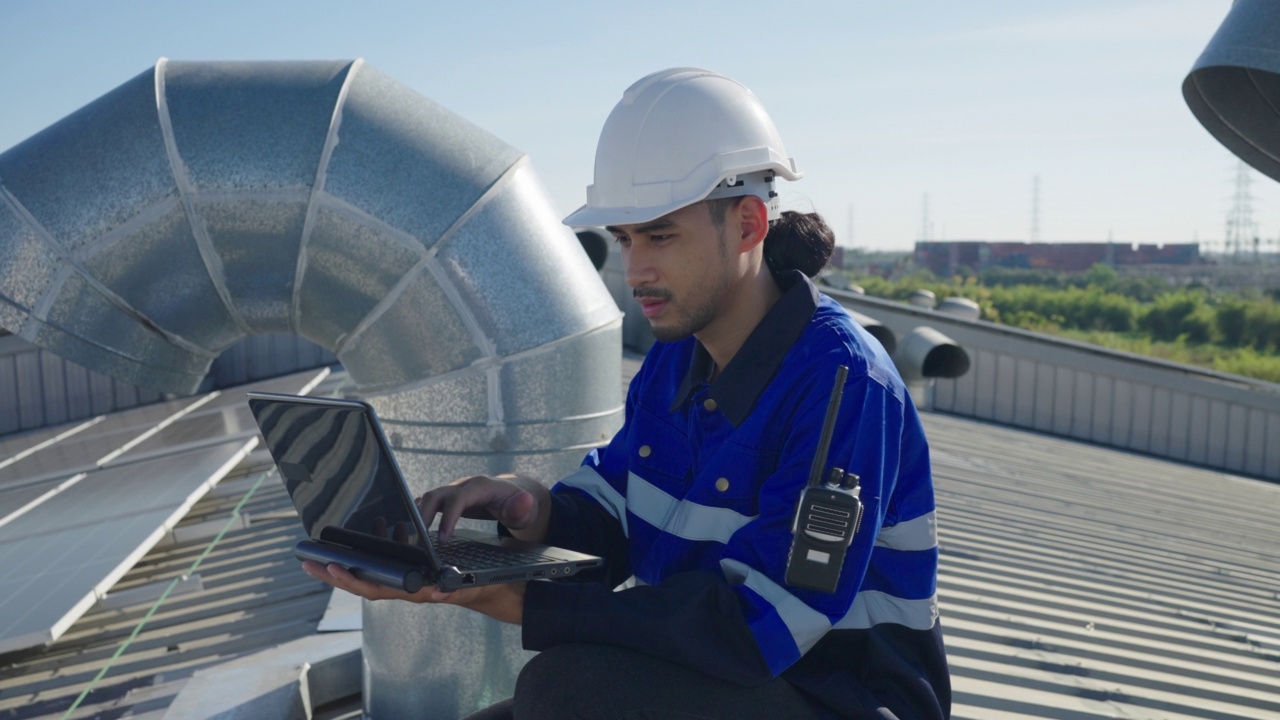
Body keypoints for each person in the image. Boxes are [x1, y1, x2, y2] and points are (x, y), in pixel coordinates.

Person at [304, 67, 951, 720]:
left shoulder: (842, 385)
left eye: (661, 235)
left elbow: (766, 625)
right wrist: (530, 507)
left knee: (570, 689)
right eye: (625, 238)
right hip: (720, 679)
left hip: (840, 695)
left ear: (749, 224)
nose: (636, 269)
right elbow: (616, 506)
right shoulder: (678, 354)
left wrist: (525, 602)